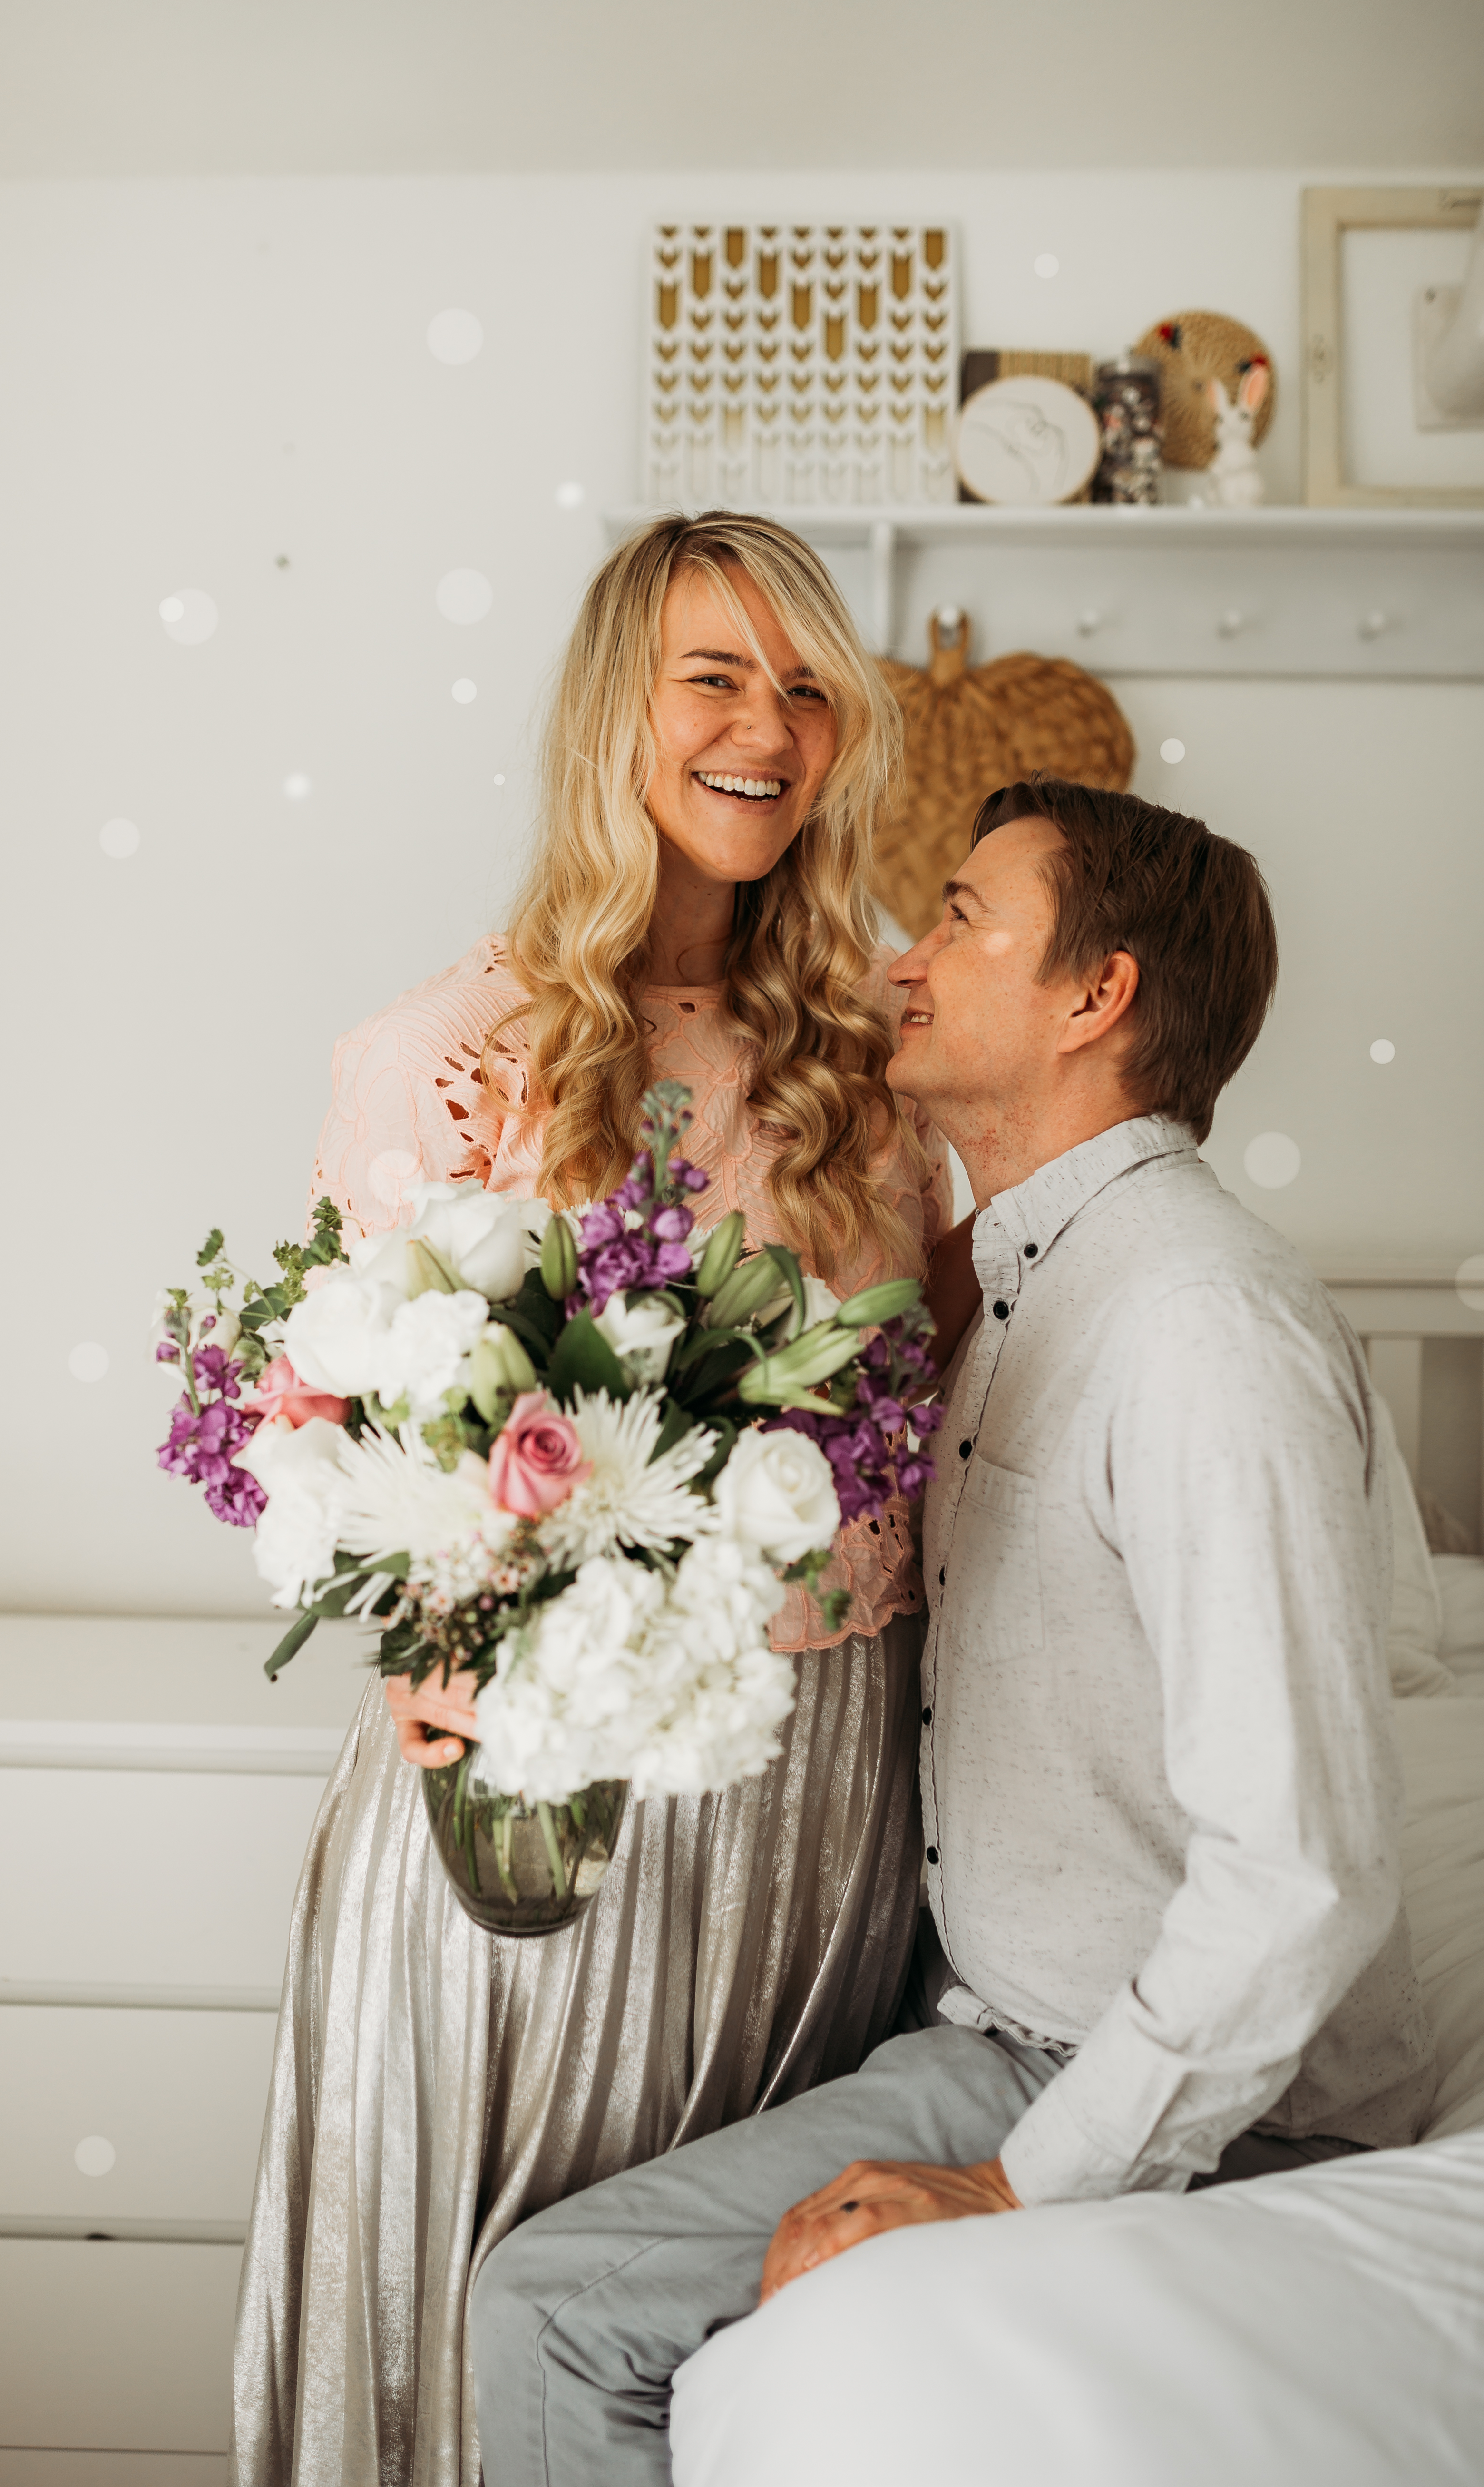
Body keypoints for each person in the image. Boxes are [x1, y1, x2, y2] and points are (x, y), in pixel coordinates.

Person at [468, 776, 1437, 2486]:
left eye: (967, 919)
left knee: (555, 2304)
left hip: (1162, 2088)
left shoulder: (1199, 1326)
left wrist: (1018, 2182)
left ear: (1095, 995)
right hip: (981, 2013)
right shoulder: (1021, 1281)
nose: (908, 960)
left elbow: (1308, 1865)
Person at [230, 512, 967, 2487]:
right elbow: (333, 1421)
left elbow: (963, 1414)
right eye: (713, 676)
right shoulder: (445, 1057)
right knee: (479, 2304)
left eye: (808, 686)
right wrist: (423, 1642)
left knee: (727, 2349)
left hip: (812, 1806)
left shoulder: (877, 1072)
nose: (767, 726)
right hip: (535, 1809)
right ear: (611, 715)